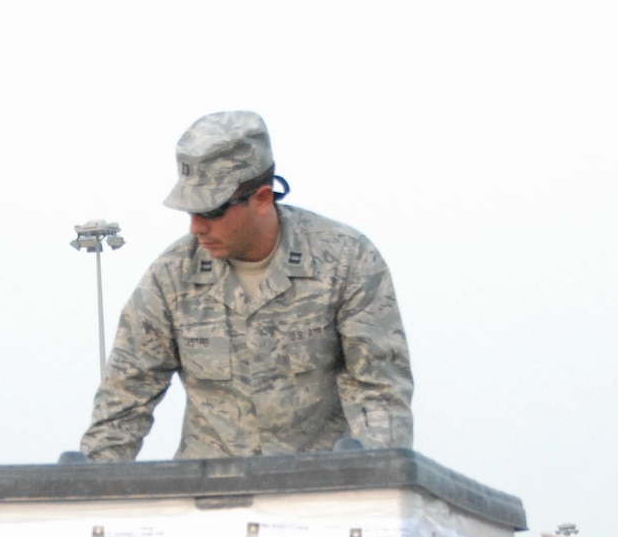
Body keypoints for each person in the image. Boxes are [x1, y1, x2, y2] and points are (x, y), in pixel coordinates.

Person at [79, 111, 413, 462]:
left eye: (211, 211)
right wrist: (88, 495)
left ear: (263, 198)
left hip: (318, 498)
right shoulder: (171, 279)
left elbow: (379, 395)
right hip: (209, 502)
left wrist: (372, 489)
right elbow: (123, 404)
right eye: (189, 212)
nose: (196, 228)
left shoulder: (346, 261)